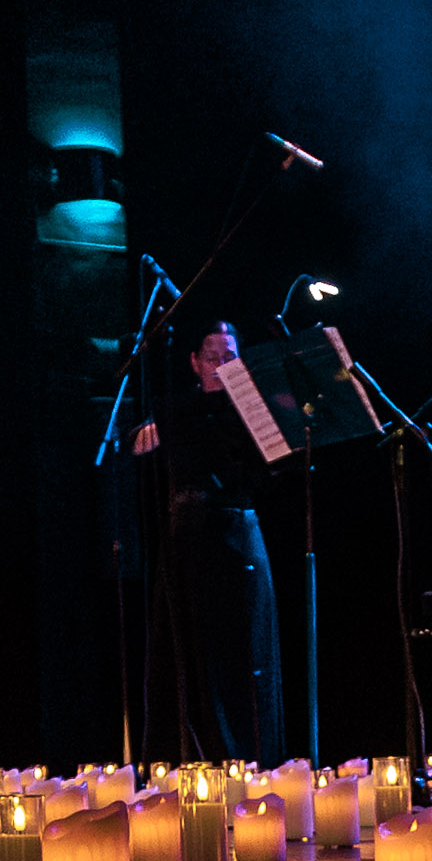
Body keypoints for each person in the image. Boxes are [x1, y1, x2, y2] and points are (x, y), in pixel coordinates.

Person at [140, 315, 295, 757]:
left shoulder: (256, 412)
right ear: (194, 362)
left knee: (246, 653)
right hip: (189, 539)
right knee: (190, 652)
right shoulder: (176, 411)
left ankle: (252, 756)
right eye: (212, 357)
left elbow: (273, 474)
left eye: (230, 357)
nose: (221, 365)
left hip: (238, 534)